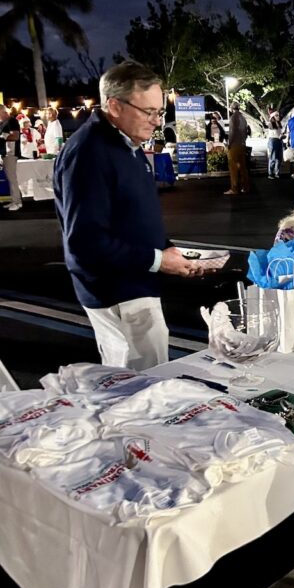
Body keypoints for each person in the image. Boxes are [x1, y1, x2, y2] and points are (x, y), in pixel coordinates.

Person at [53, 61, 204, 370]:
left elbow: (134, 212)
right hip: (117, 292)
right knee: (141, 387)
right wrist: (161, 260)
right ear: (115, 106)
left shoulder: (125, 143)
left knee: (148, 378)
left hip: (134, 284)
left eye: (159, 112)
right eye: (148, 112)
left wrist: (167, 248)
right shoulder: (90, 152)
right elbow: (85, 243)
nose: (156, 122)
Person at [224, 103, 250, 196]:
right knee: (243, 167)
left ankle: (234, 188)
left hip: (235, 145)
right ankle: (245, 187)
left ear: (231, 108)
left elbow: (232, 132)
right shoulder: (243, 118)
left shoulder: (233, 117)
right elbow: (246, 132)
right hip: (242, 144)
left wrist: (229, 143)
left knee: (233, 168)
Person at [0, 104, 22, 211]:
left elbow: (16, 136)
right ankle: (14, 201)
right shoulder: (2, 123)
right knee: (10, 179)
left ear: (3, 111)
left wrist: (3, 136)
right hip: (5, 154)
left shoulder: (12, 121)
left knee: (12, 179)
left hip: (11, 154)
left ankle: (17, 202)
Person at [265, 112, 284, 180]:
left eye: (278, 115)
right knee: (273, 157)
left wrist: (282, 135)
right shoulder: (271, 123)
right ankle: (270, 173)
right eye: (276, 115)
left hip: (279, 141)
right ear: (273, 117)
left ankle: (277, 173)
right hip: (273, 141)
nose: (278, 116)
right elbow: (275, 133)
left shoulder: (278, 123)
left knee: (279, 158)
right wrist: (281, 136)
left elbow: (280, 133)